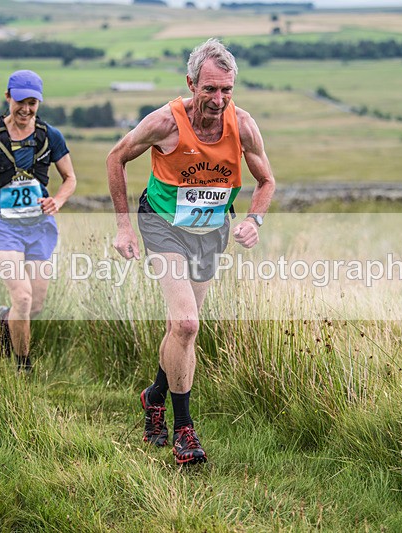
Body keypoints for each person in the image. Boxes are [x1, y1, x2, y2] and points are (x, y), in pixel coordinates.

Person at [106, 39, 275, 465]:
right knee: (186, 323)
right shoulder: (165, 122)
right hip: (163, 225)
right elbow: (116, 157)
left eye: (227, 91)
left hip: (210, 231)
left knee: (181, 329)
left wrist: (253, 220)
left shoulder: (244, 125)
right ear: (191, 83)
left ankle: (154, 396)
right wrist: (124, 225)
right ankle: (184, 430)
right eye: (210, 90)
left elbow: (267, 180)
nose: (218, 100)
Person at [0, 69, 76, 372]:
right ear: (8, 97)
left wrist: (58, 200)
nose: (25, 109)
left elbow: (70, 178)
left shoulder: (50, 136)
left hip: (39, 228)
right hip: (2, 227)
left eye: (32, 103)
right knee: (22, 298)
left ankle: (4, 319)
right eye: (20, 101)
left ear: (39, 102)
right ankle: (23, 368)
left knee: (34, 305)